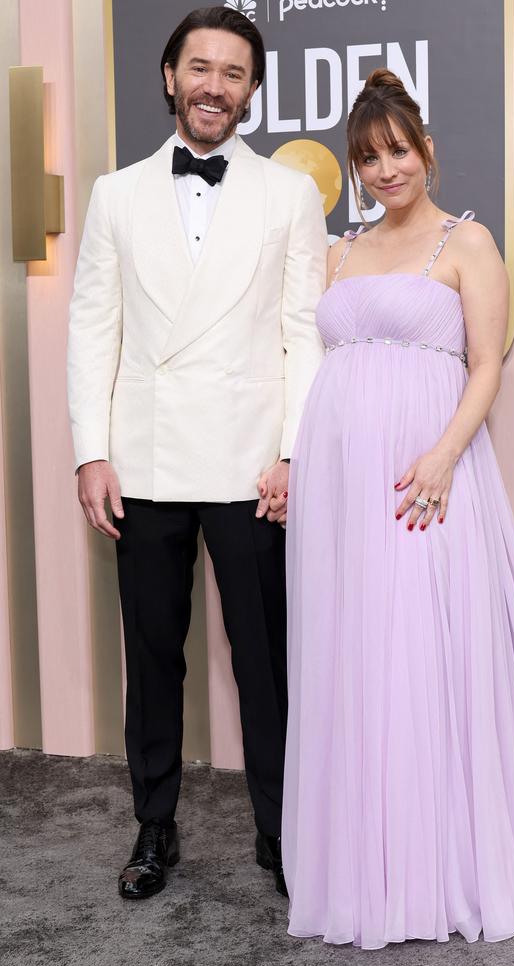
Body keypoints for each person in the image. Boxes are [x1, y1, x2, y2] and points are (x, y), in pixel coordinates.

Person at [281, 69, 514, 949]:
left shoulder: (468, 243)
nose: (384, 170)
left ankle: (435, 861)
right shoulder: (338, 252)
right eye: (367, 158)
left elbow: (487, 363)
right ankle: (366, 861)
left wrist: (444, 456)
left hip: (427, 479)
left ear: (427, 150)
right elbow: (315, 363)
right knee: (359, 656)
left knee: (423, 653)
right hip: (341, 492)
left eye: (397, 151)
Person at [67, 6, 327, 901]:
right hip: (145, 459)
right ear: (171, 75)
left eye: (236, 73)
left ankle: (282, 830)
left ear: (253, 89)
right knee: (153, 659)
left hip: (253, 463)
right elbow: (93, 328)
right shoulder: (115, 193)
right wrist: (89, 453)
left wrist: (295, 452)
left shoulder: (291, 193)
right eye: (201, 68)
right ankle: (154, 829)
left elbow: (304, 334)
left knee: (266, 661)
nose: (217, 86)